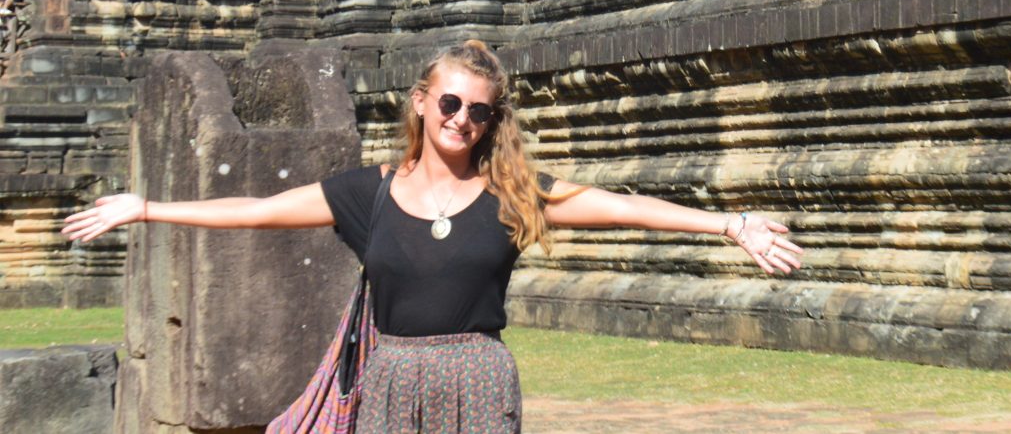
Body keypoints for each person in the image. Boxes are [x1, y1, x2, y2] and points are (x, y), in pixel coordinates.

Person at [64, 39, 802, 433]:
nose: (462, 119)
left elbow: (625, 206)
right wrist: (148, 207)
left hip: (478, 381)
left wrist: (730, 223)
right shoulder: (368, 192)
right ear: (421, 103)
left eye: (479, 110)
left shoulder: (514, 194)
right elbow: (256, 208)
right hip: (392, 380)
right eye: (449, 102)